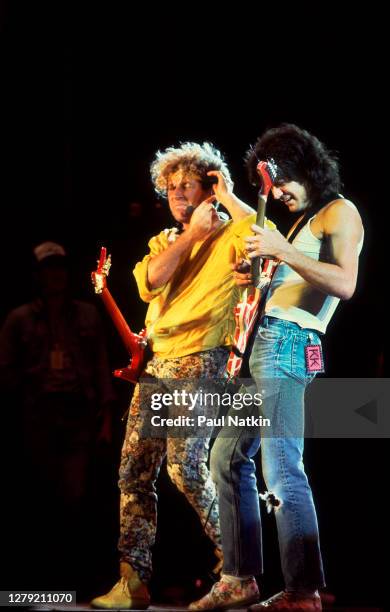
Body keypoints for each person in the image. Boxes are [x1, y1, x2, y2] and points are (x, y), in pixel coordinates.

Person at [189, 124, 364, 611]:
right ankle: (240, 577)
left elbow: (344, 284)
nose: (277, 194)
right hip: (265, 343)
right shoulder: (299, 222)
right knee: (225, 459)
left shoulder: (339, 212)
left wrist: (282, 253)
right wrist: (261, 272)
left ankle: (303, 591)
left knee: (283, 468)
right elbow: (288, 268)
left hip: (289, 344)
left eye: (278, 182)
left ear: (302, 167)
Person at [91, 141, 271, 610]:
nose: (175, 195)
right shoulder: (165, 241)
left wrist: (227, 200)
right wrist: (190, 235)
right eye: (169, 188)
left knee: (186, 468)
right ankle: (132, 582)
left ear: (209, 185)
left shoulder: (233, 232)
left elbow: (265, 234)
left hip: (203, 359)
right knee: (134, 470)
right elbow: (148, 282)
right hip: (159, 364)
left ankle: (238, 565)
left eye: (185, 185)